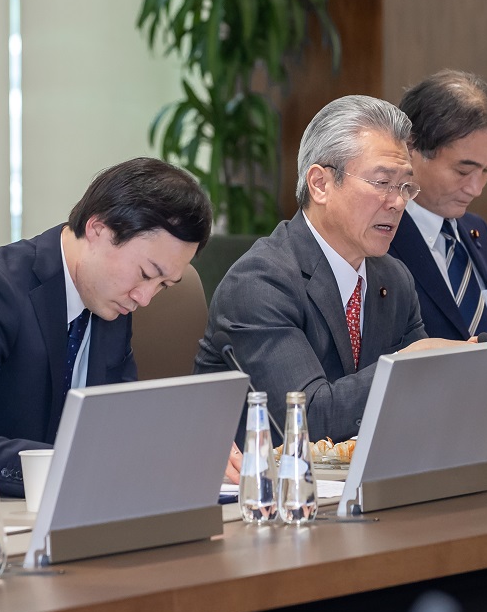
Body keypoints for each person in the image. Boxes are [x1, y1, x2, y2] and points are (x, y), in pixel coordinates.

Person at [0, 158, 213, 497]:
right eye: (146, 274)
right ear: (98, 229)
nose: (145, 297)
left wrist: (182, 453)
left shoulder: (111, 301)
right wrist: (68, 466)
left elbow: (117, 430)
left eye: (163, 285)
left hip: (67, 510)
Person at [193, 95, 459, 441]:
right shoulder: (260, 283)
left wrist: (471, 382)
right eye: (382, 183)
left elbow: (419, 396)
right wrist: (405, 366)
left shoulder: (393, 278)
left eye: (405, 186)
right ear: (320, 184)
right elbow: (306, 420)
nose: (398, 202)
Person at [390, 70, 487, 340]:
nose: (476, 189)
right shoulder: (381, 235)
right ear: (411, 148)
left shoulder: (477, 230)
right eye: (463, 171)